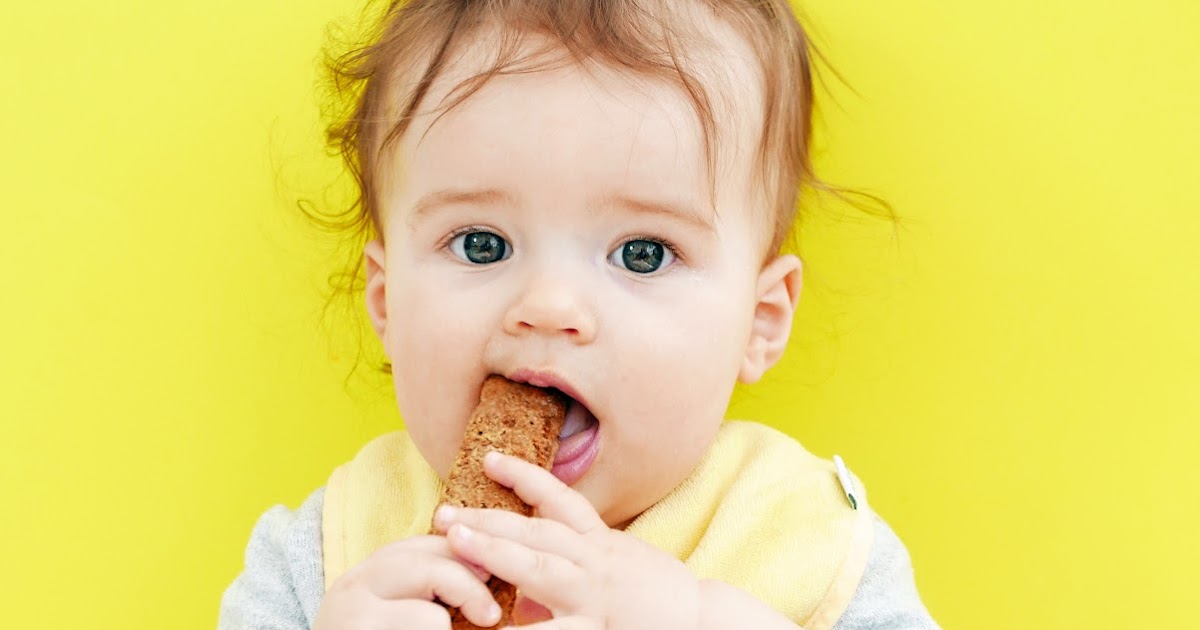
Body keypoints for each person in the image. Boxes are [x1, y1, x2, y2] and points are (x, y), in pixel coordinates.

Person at [220, 0, 939, 628]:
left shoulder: (796, 539)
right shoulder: (325, 557)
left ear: (759, 322)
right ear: (388, 303)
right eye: (482, 244)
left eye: (643, 254)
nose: (549, 306)